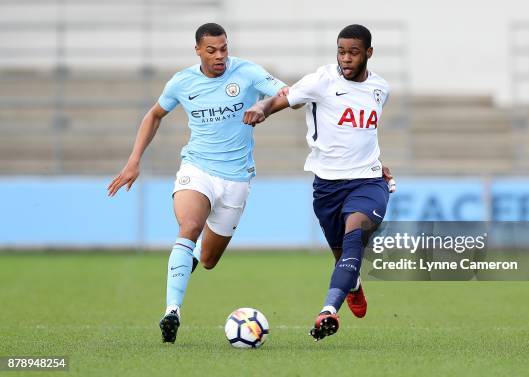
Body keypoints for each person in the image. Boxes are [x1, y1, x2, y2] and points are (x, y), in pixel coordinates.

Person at [107, 22, 288, 344]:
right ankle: (171, 310)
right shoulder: (182, 81)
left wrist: (265, 106)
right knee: (189, 226)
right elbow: (154, 115)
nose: (219, 56)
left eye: (224, 49)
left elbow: (290, 96)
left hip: (236, 179)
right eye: (211, 50)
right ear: (198, 51)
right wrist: (134, 161)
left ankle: (185, 261)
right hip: (197, 168)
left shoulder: (247, 73)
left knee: (207, 260)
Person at [243, 24, 395, 341]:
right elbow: (281, 100)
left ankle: (328, 310)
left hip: (368, 183)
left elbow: (365, 135)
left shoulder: (381, 89)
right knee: (343, 257)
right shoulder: (321, 81)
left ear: (369, 53)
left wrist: (379, 163)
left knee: (355, 239)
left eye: (353, 52)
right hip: (327, 188)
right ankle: (351, 282)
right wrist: (262, 107)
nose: (346, 58)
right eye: (341, 51)